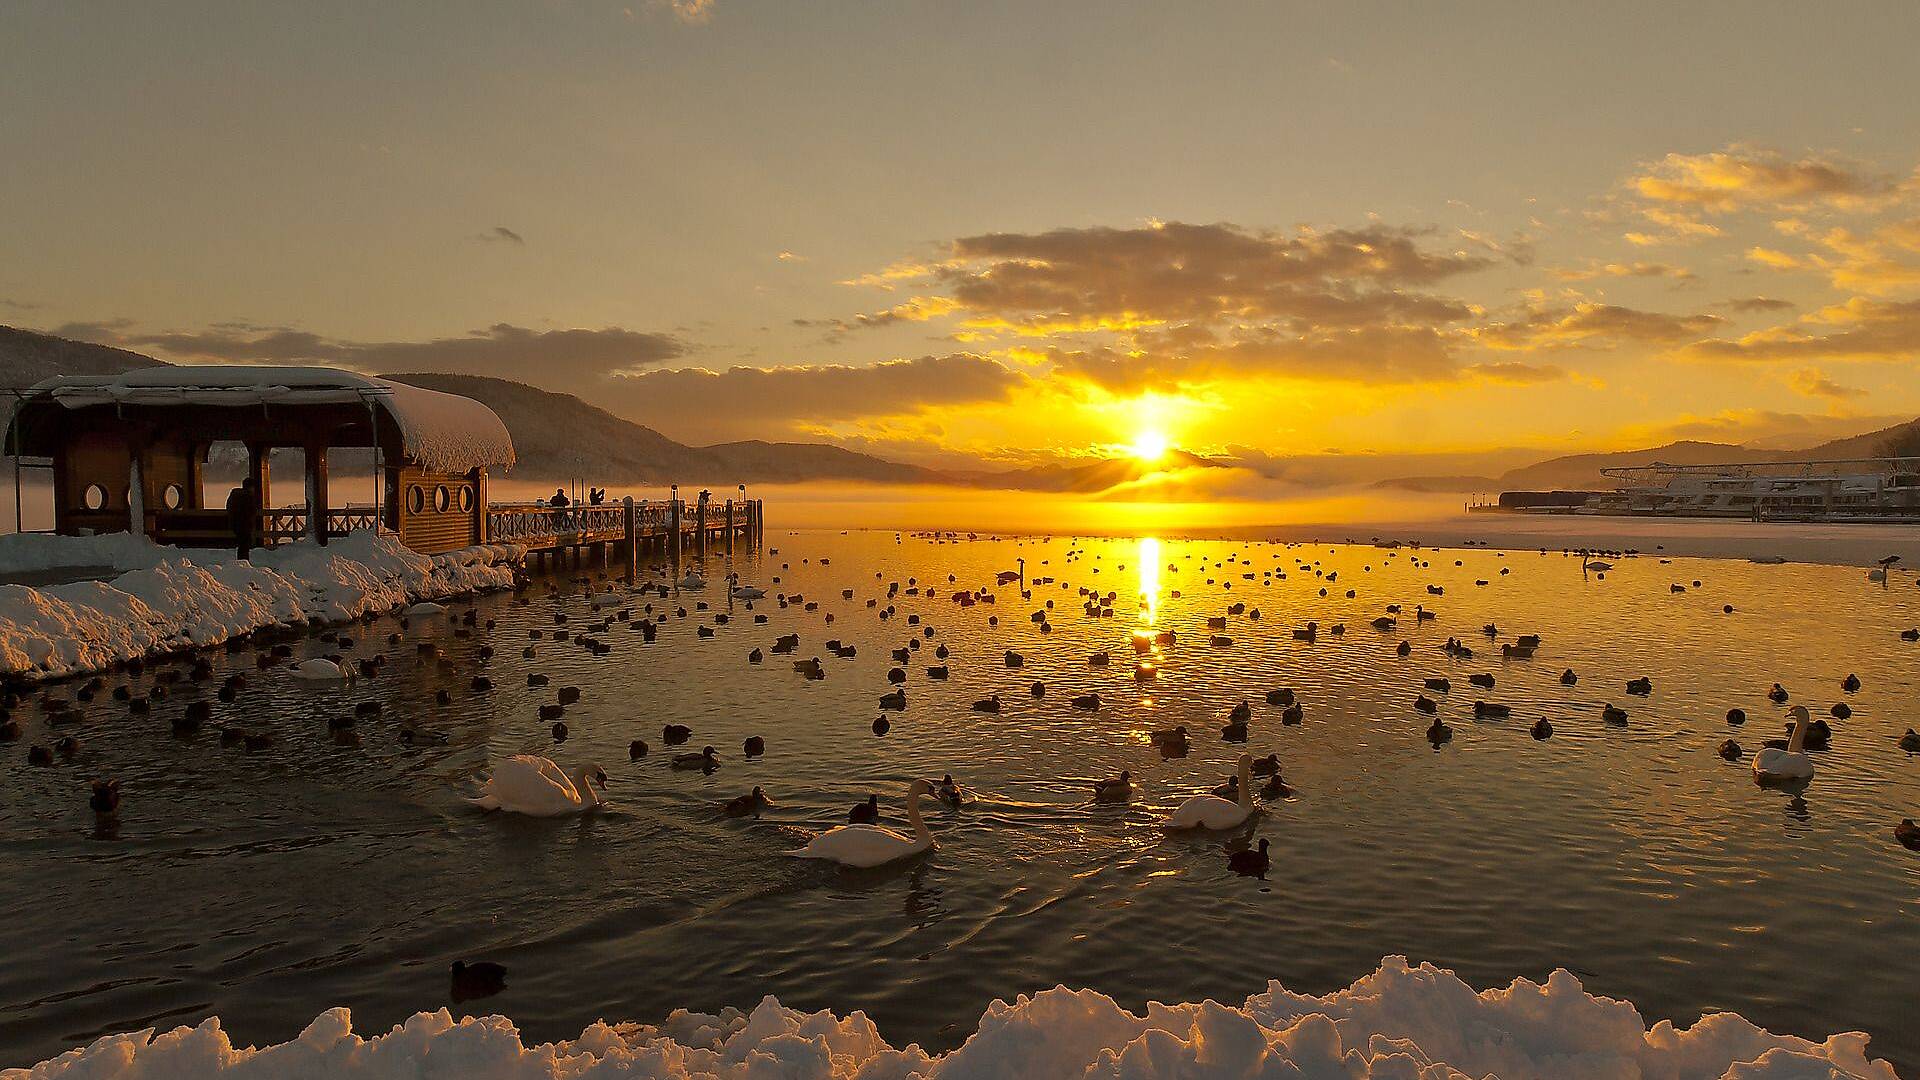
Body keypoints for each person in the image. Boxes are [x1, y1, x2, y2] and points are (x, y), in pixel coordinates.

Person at [226, 477, 259, 560]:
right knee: (244, 546)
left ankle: (241, 562)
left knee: (242, 546)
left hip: (235, 524)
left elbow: (228, 507)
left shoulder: (234, 495)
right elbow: (252, 510)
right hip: (245, 525)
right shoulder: (249, 497)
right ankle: (243, 562)